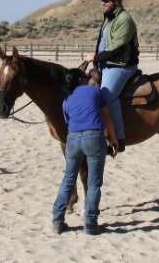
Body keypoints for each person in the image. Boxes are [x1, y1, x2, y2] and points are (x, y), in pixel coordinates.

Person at [52, 70, 119, 235]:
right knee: (94, 182)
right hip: (94, 137)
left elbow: (69, 121)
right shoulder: (95, 91)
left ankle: (57, 222)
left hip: (73, 139)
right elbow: (107, 118)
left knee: (68, 179)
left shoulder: (66, 99)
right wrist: (114, 139)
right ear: (81, 79)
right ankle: (90, 224)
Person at [84, 0, 139, 154]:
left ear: (116, 1)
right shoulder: (109, 18)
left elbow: (116, 49)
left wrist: (95, 57)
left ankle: (119, 139)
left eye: (106, 0)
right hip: (106, 64)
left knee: (106, 96)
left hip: (121, 66)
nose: (102, 3)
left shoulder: (124, 20)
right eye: (101, 0)